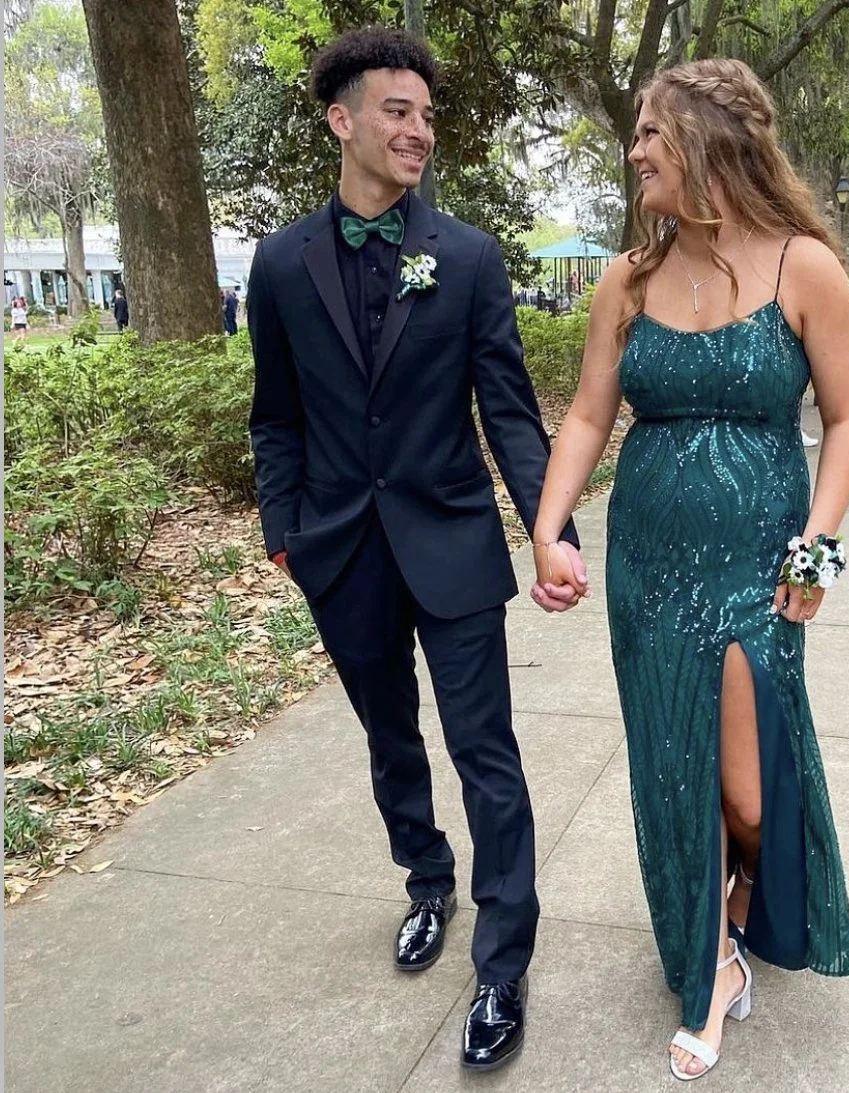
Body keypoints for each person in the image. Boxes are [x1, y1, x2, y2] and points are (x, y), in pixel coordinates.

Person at [247, 28, 579, 1072]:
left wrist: (547, 525)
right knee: (391, 741)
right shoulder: (281, 262)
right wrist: (284, 531)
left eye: (427, 116)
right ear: (342, 120)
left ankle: (501, 961)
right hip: (339, 551)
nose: (418, 130)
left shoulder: (471, 258)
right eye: (398, 110)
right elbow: (276, 417)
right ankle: (425, 880)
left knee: (488, 752)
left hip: (451, 545)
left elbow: (512, 415)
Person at [529, 58, 849, 1081]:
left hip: (758, 564)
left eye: (650, 132)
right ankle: (711, 959)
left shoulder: (803, 267)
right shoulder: (625, 277)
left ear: (713, 144)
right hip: (650, 564)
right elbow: (589, 413)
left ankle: (746, 900)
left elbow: (847, 423)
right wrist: (548, 529)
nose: (634, 151)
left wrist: (820, 548)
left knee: (751, 793)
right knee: (673, 764)